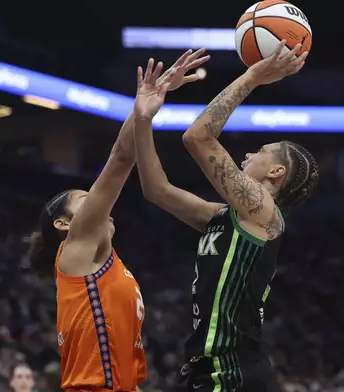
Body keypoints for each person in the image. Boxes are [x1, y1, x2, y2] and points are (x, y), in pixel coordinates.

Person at [133, 41, 317, 391]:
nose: (249, 153)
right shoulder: (231, 217)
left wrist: (252, 76)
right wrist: (144, 119)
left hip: (233, 369)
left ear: (276, 172)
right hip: (214, 367)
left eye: (261, 151)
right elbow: (156, 189)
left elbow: (197, 137)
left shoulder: (265, 213)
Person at [27, 50, 209, 392]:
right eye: (86, 198)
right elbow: (121, 157)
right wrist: (143, 112)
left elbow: (128, 376)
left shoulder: (111, 269)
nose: (100, 203)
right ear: (63, 224)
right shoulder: (75, 248)